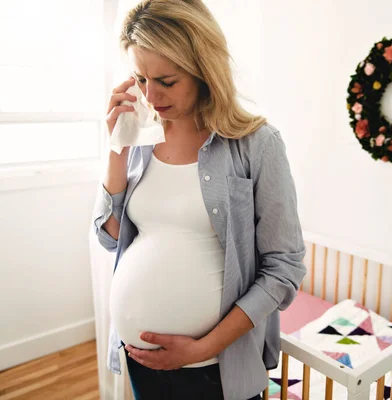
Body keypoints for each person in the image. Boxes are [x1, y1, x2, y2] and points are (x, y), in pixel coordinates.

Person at [92, 1, 306, 399]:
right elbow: (110, 238)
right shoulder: (139, 138)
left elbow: (284, 269)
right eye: (140, 79)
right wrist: (116, 149)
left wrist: (202, 347)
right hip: (140, 360)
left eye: (166, 81)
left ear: (203, 70)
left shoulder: (257, 145)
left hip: (213, 369)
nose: (151, 96)